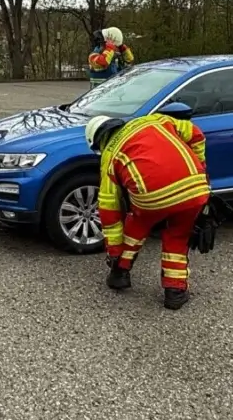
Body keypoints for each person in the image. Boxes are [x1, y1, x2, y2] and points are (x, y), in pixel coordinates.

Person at [85, 111, 210, 311]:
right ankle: (175, 292)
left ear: (98, 142)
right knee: (178, 236)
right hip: (195, 189)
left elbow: (109, 206)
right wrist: (200, 166)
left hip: (152, 199)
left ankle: (119, 272)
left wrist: (114, 250)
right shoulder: (154, 120)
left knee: (137, 223)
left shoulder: (109, 155)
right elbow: (196, 134)